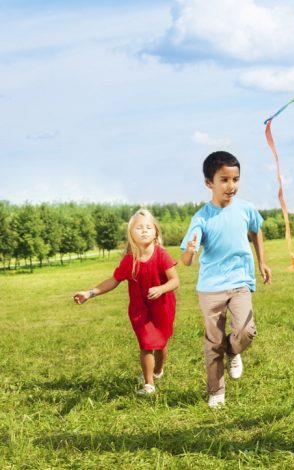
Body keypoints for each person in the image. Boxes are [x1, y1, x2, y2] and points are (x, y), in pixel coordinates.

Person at [180, 150, 272, 409]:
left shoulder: (246, 209)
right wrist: (189, 250)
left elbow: (256, 231)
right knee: (213, 341)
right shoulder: (201, 218)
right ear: (209, 183)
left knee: (245, 330)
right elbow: (187, 261)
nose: (231, 186)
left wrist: (262, 261)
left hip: (240, 281)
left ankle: (233, 351)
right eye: (224, 180)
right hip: (210, 288)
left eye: (236, 179)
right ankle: (216, 391)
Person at [73, 209, 179, 396]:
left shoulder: (162, 255)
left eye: (148, 227)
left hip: (162, 306)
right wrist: (90, 293)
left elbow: (175, 281)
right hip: (140, 309)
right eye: (139, 227)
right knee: (146, 344)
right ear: (131, 234)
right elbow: (113, 281)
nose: (144, 230)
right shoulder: (129, 261)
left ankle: (158, 370)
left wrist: (161, 289)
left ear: (156, 232)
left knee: (160, 344)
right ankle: (149, 384)